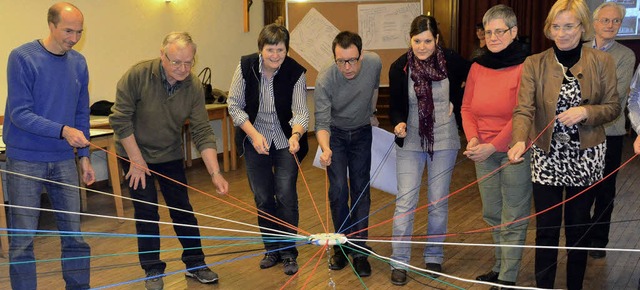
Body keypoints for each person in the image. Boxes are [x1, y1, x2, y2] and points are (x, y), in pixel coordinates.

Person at [507, 0, 619, 289]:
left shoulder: (602, 60)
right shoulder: (535, 62)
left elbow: (613, 107)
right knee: (546, 229)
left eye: (569, 26)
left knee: (578, 229)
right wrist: (519, 140)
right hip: (547, 158)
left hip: (587, 156)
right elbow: (523, 109)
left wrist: (586, 112)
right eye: (556, 26)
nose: (562, 32)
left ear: (582, 26)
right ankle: (544, 285)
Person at [109, 32, 229, 290]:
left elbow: (202, 131)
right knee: (147, 211)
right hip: (133, 152)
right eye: (176, 62)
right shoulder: (137, 75)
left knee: (182, 209)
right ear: (162, 55)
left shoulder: (193, 86)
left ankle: (195, 265)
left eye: (189, 63)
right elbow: (119, 119)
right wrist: (136, 159)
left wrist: (215, 172)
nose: (183, 69)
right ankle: (152, 269)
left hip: (169, 154)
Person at [3, 2, 95, 289]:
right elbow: (19, 114)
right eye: (68, 30)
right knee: (22, 240)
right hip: (25, 159)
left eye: (79, 32)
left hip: (64, 160)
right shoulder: (22, 57)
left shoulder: (78, 62)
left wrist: (84, 156)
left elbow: (81, 113)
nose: (73, 38)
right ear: (51, 25)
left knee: (74, 236)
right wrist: (62, 131)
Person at [228, 24, 309, 276]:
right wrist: (253, 135)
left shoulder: (296, 72)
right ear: (260, 49)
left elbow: (301, 112)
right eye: (270, 50)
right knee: (263, 198)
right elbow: (234, 105)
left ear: (287, 49)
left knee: (285, 196)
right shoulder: (245, 67)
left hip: (286, 140)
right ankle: (271, 249)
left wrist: (296, 135)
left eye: (281, 50)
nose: (275, 55)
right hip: (255, 139)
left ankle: (288, 252)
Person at [461, 5, 531, 289]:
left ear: (514, 32)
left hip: (514, 150)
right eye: (488, 32)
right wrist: (474, 139)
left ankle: (508, 277)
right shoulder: (478, 65)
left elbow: (523, 112)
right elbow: (466, 108)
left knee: (513, 215)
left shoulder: (527, 65)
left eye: (499, 31)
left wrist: (493, 145)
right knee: (492, 212)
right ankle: (499, 265)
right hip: (483, 151)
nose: (492, 37)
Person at [388, 15, 461, 286]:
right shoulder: (400, 67)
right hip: (411, 141)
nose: (422, 46)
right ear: (410, 39)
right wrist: (398, 122)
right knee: (405, 203)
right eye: (417, 40)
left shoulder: (451, 60)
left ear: (437, 39)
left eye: (428, 41)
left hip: (445, 139)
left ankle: (433, 256)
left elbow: (472, 78)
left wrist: (457, 100)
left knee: (437, 202)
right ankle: (399, 261)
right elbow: (395, 105)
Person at [314, 31, 381, 277]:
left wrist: (371, 112)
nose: (347, 67)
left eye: (352, 60)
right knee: (339, 190)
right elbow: (321, 122)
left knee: (361, 191)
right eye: (341, 61)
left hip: (362, 132)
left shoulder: (374, 63)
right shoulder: (325, 79)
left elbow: (373, 88)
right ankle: (341, 247)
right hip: (337, 135)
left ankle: (360, 250)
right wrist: (326, 147)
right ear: (334, 58)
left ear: (361, 55)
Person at [585, 1, 635, 259]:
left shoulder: (626, 56)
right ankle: (579, 238)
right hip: (579, 133)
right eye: (606, 20)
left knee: (605, 190)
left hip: (610, 132)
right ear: (594, 23)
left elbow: (615, 96)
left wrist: (585, 107)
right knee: (580, 189)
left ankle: (598, 241)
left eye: (616, 21)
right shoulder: (577, 49)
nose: (611, 25)